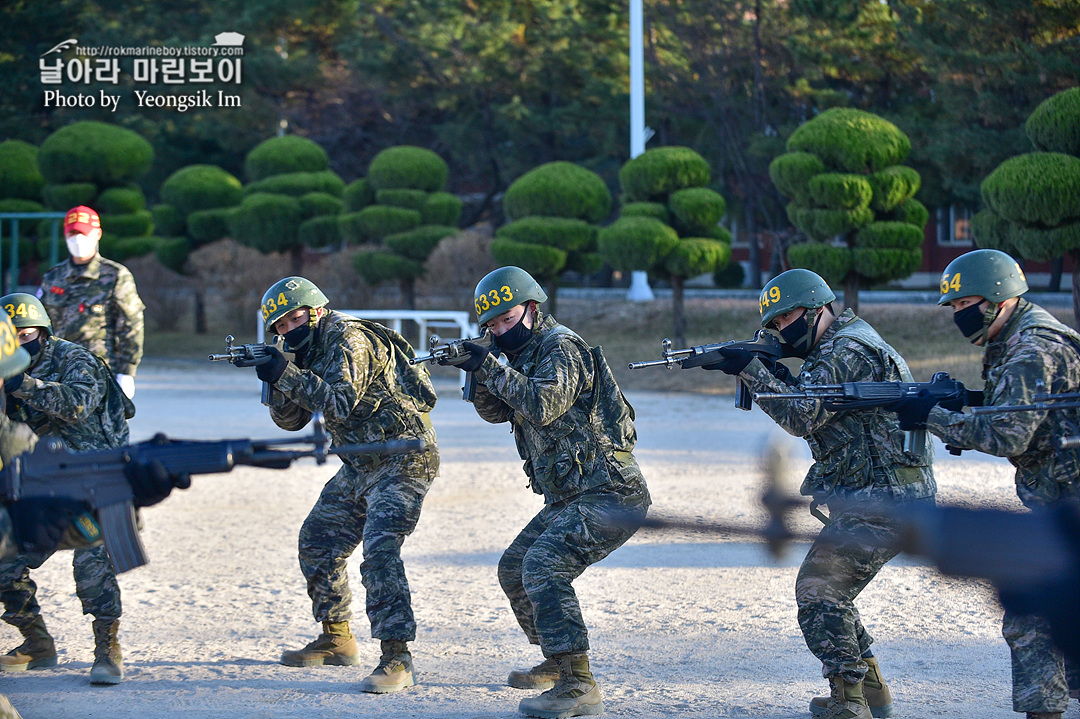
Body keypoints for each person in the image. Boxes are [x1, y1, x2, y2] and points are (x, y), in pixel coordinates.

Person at [706, 268, 936, 719]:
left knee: (819, 589)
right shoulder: (840, 343)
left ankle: (848, 701)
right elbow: (815, 403)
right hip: (877, 494)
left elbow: (801, 417)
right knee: (832, 590)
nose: (781, 329)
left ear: (818, 310)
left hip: (886, 498)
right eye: (773, 324)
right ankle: (870, 691)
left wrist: (752, 370)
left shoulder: (846, 349)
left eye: (787, 317)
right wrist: (769, 367)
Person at [440, 266, 651, 719]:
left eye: (507, 318)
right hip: (570, 497)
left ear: (532, 309)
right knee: (514, 569)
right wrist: (476, 372)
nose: (500, 329)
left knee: (543, 567)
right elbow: (497, 412)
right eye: (491, 325)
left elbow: (542, 403)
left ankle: (579, 684)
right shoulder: (515, 353)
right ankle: (558, 660)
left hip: (610, 492)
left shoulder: (562, 347)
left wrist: (489, 364)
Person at [886, 249, 1079, 719]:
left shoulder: (1033, 348)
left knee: (1030, 615)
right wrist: (949, 401)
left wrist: (929, 416)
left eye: (964, 303)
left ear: (997, 297)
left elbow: (1004, 433)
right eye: (952, 307)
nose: (958, 314)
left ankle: (1045, 713)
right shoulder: (1015, 336)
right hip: (1060, 503)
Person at [245, 277, 438, 694]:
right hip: (360, 462)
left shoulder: (348, 338)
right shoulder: (301, 350)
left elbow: (337, 402)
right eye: (279, 325)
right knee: (318, 540)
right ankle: (337, 638)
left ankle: (396, 658)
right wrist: (277, 379)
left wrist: (288, 374)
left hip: (403, 457)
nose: (288, 328)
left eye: (295, 317)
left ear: (315, 311)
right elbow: (292, 420)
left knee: (380, 551)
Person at [0, 293, 135, 685]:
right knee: (4, 562)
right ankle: (36, 641)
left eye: (26, 334)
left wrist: (22, 384)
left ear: (43, 332)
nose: (21, 343)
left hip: (97, 476)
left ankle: (107, 646)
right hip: (42, 482)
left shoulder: (76, 359)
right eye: (11, 337)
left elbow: (77, 403)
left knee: (91, 562)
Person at [37, 205, 144, 399]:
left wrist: (127, 372)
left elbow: (131, 326)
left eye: (83, 233)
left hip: (98, 374)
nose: (77, 240)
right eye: (72, 234)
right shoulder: (54, 277)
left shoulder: (115, 276)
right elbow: (40, 324)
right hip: (56, 374)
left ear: (97, 234)